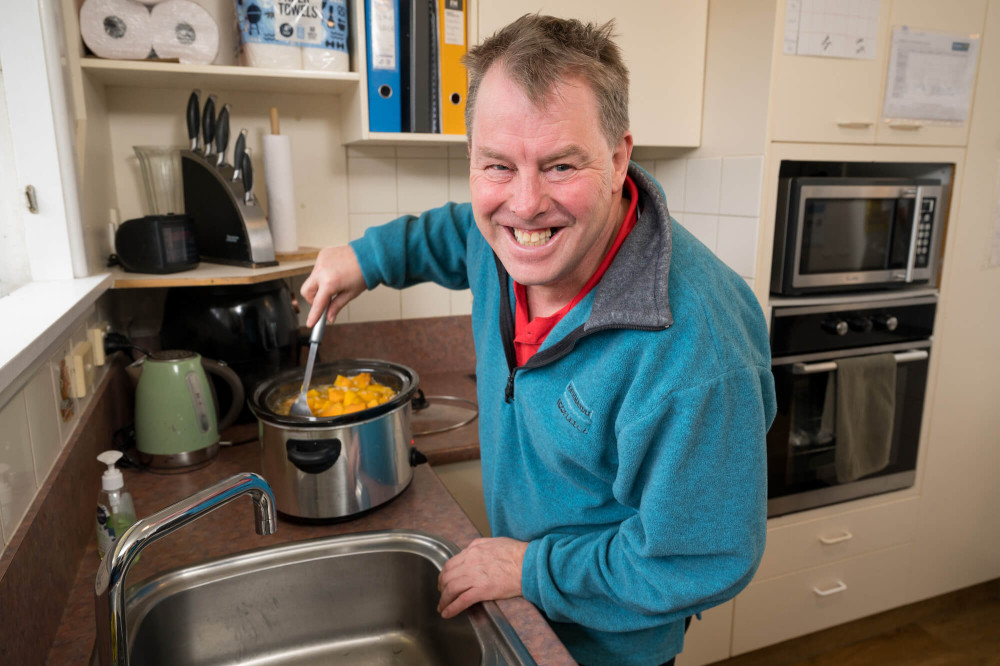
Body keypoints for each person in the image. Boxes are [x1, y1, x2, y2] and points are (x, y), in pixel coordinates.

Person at [300, 14, 776, 666]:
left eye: (559, 165)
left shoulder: (696, 351)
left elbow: (700, 559)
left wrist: (531, 570)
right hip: (520, 607)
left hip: (612, 649)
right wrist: (365, 257)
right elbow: (452, 232)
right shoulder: (499, 236)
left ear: (617, 159)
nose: (524, 205)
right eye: (498, 165)